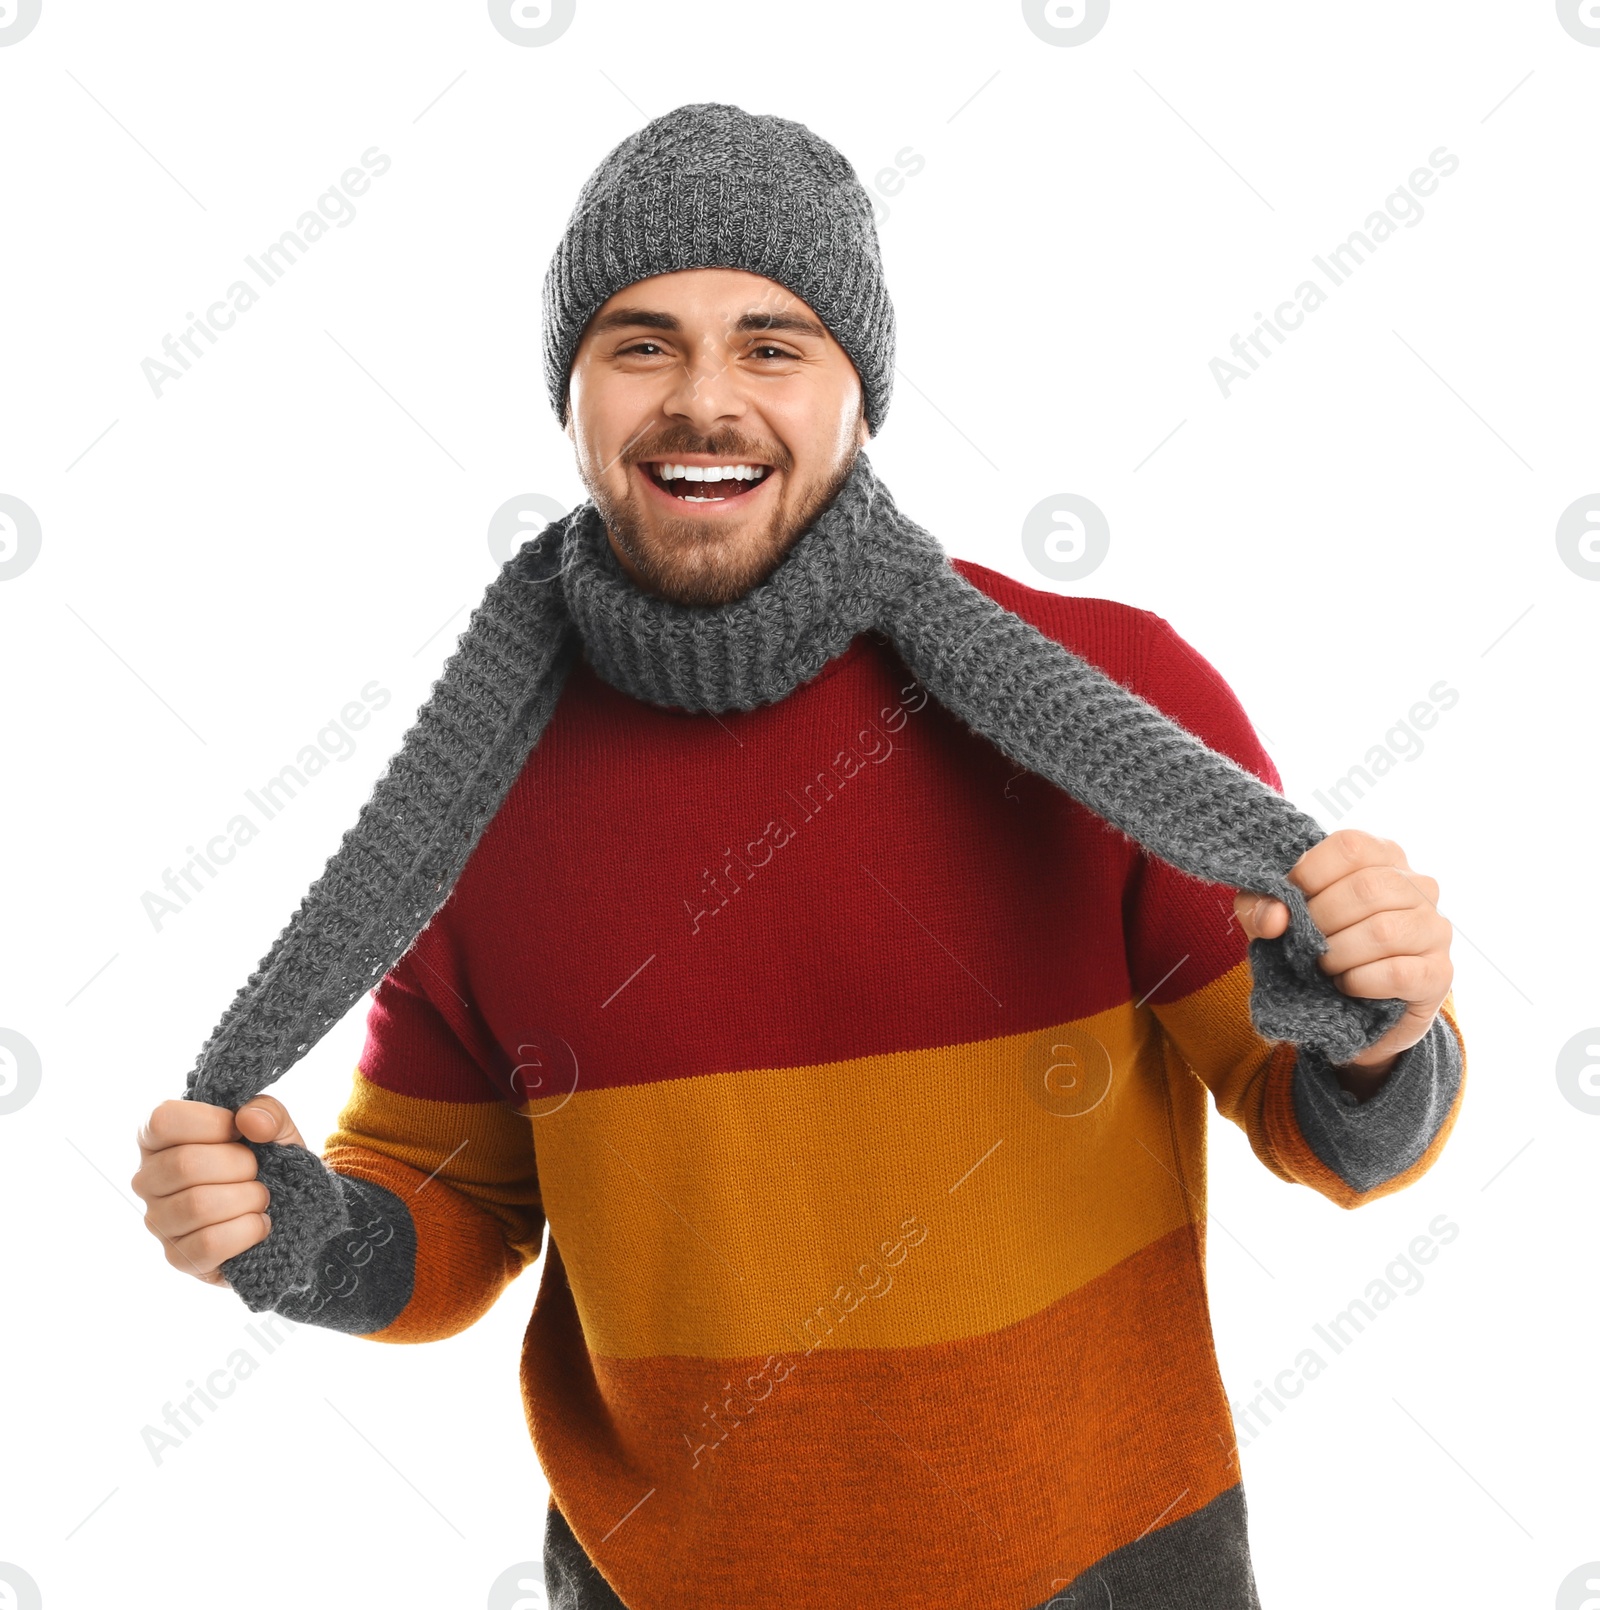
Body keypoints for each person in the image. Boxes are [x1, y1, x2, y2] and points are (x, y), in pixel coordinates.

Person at [131, 102, 1464, 1610]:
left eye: (773, 344)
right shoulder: (473, 787)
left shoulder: (1109, 693)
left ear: (858, 393)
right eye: (641, 343)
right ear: (567, 391)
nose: (706, 400)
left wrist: (1383, 1024)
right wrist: (296, 1234)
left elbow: (1331, 1130)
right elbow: (451, 1208)